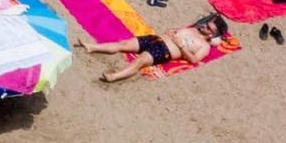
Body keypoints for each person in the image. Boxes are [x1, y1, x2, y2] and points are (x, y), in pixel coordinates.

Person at [85, 17, 225, 82]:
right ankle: (92, 47)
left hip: (165, 50)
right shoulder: (193, 28)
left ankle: (114, 76)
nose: (205, 26)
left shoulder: (204, 46)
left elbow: (194, 59)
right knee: (124, 44)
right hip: (155, 38)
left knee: (140, 61)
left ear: (212, 35)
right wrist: (171, 31)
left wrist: (180, 45)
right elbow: (173, 30)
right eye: (206, 24)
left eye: (209, 28)